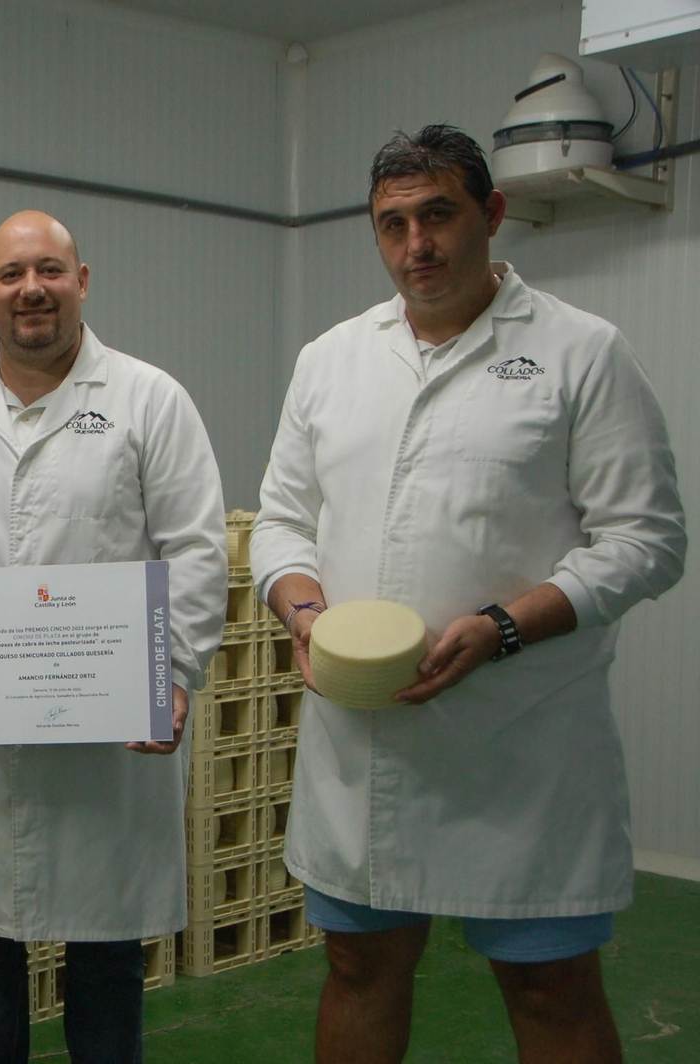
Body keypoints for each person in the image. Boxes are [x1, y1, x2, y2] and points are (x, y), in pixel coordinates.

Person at [251, 125, 686, 1064]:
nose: (419, 245)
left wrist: (502, 626)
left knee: (548, 983)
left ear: (491, 214)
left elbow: (648, 539)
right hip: (363, 741)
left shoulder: (582, 354)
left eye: (439, 215)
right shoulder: (331, 361)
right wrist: (302, 611)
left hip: (523, 741)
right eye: (393, 224)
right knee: (361, 967)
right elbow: (280, 521)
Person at [0, 211, 228, 1062]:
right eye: (10, 274)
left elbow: (195, 545)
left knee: (106, 964)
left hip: (107, 739)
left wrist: (173, 676)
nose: (30, 289)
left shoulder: (150, 399)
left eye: (48, 271)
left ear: (82, 280)